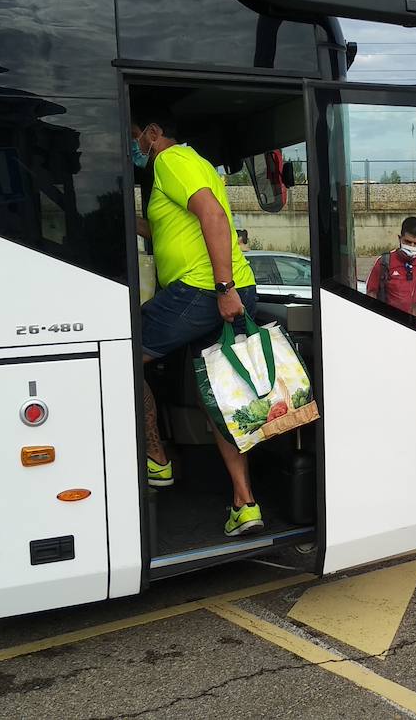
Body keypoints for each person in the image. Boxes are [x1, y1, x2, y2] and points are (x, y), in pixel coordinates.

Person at [130, 111, 264, 537]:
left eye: (135, 137)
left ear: (153, 132)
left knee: (119, 355)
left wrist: (223, 288)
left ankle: (158, 460)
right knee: (221, 400)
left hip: (202, 290)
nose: (133, 147)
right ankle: (245, 504)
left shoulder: (170, 160)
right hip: (217, 291)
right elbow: (163, 230)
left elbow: (214, 217)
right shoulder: (192, 165)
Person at [366, 216, 416, 316]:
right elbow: (371, 294)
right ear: (400, 238)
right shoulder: (384, 262)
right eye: (407, 242)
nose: (412, 247)